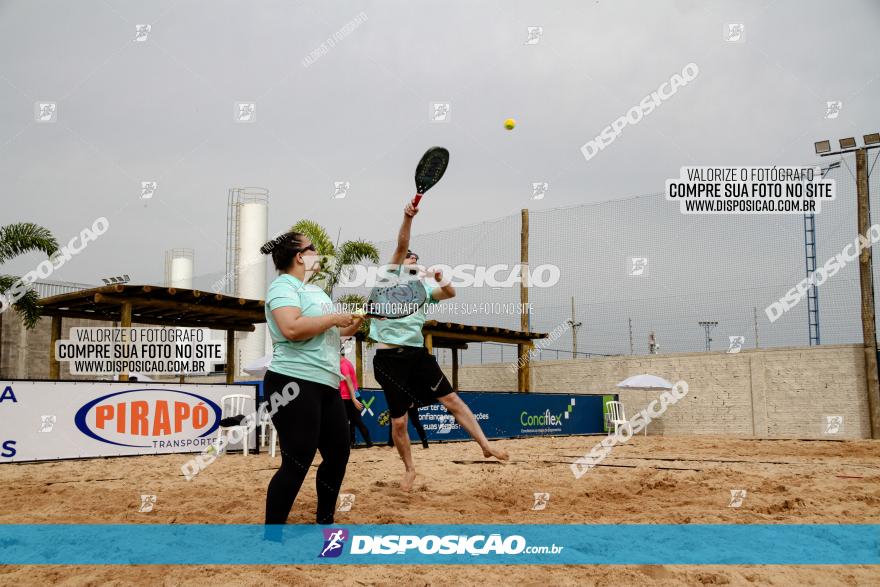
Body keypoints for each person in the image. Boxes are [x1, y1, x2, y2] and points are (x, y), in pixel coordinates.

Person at [371, 203, 509, 491]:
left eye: (415, 259)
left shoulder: (421, 291)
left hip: (417, 356)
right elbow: (402, 243)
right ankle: (409, 469)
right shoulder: (386, 280)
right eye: (409, 258)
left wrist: (439, 278)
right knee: (399, 423)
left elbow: (450, 292)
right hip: (388, 359)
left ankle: (485, 446)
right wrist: (407, 217)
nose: (412, 259)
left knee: (453, 401)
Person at [261, 232, 363, 527]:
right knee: (297, 460)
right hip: (293, 382)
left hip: (327, 384)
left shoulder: (315, 291)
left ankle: (325, 521)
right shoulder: (283, 286)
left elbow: (336, 333)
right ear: (299, 257)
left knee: (338, 455)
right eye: (313, 248)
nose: (318, 252)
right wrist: (333, 319)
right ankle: (273, 534)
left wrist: (356, 320)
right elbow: (291, 328)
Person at [339, 344, 372, 448]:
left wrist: (353, 398)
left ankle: (369, 444)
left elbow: (348, 380)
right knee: (353, 421)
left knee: (355, 421)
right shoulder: (347, 362)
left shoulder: (343, 364)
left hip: (349, 397)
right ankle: (352, 443)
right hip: (352, 396)